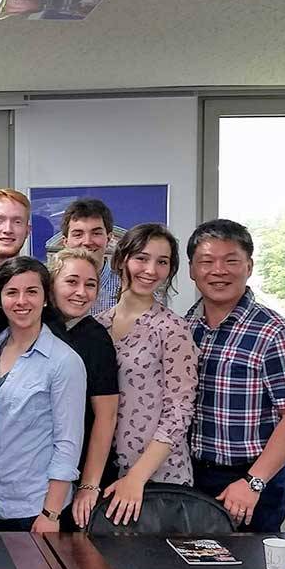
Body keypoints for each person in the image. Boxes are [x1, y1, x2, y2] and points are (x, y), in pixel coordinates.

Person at [185, 219, 285, 533]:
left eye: (231, 261)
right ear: (192, 270)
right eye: (207, 262)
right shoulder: (186, 327)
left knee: (248, 564)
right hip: (193, 477)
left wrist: (253, 482)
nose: (219, 271)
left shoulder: (277, 333)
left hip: (251, 480)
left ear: (249, 267)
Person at [94, 224, 198, 526]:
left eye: (162, 262)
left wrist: (136, 478)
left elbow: (179, 412)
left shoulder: (172, 329)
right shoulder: (98, 326)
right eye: (141, 258)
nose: (151, 270)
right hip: (106, 474)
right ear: (121, 260)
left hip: (157, 480)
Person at [0, 257, 86, 533]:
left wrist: (51, 513)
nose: (21, 301)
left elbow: (68, 443)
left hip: (35, 508)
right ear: (0, 299)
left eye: (31, 291)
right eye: (12, 292)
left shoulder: (64, 361)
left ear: (46, 298)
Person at [46, 248, 120, 530]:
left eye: (90, 285)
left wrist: (89, 485)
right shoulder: (35, 326)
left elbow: (106, 415)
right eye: (71, 282)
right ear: (51, 284)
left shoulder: (96, 339)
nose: (81, 292)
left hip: (75, 471)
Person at [60, 198, 119, 316]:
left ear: (108, 239)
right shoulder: (48, 284)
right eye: (78, 234)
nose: (87, 242)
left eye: (96, 233)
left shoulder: (126, 287)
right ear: (65, 242)